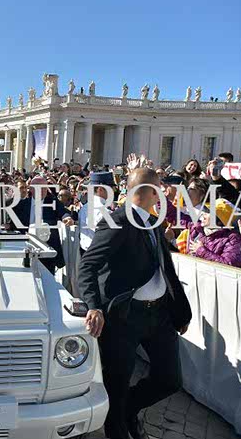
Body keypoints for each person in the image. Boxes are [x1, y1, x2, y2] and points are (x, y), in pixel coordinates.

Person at [77, 168, 192, 439]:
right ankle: (118, 423)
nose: (164, 193)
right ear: (149, 192)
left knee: (170, 379)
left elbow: (165, 268)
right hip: (124, 317)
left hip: (159, 316)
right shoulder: (116, 221)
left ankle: (127, 409)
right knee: (117, 384)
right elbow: (87, 266)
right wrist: (94, 306)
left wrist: (179, 312)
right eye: (160, 188)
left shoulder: (153, 221)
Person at [9, 176, 73, 274]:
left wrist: (67, 218)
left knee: (48, 278)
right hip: (27, 248)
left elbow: (63, 212)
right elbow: (13, 223)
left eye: (44, 188)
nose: (42, 191)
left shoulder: (53, 202)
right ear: (31, 189)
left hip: (47, 249)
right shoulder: (22, 205)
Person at [78, 172, 116, 255]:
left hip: (86, 252)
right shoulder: (103, 210)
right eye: (111, 187)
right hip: (100, 253)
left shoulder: (85, 207)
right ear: (100, 189)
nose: (114, 190)